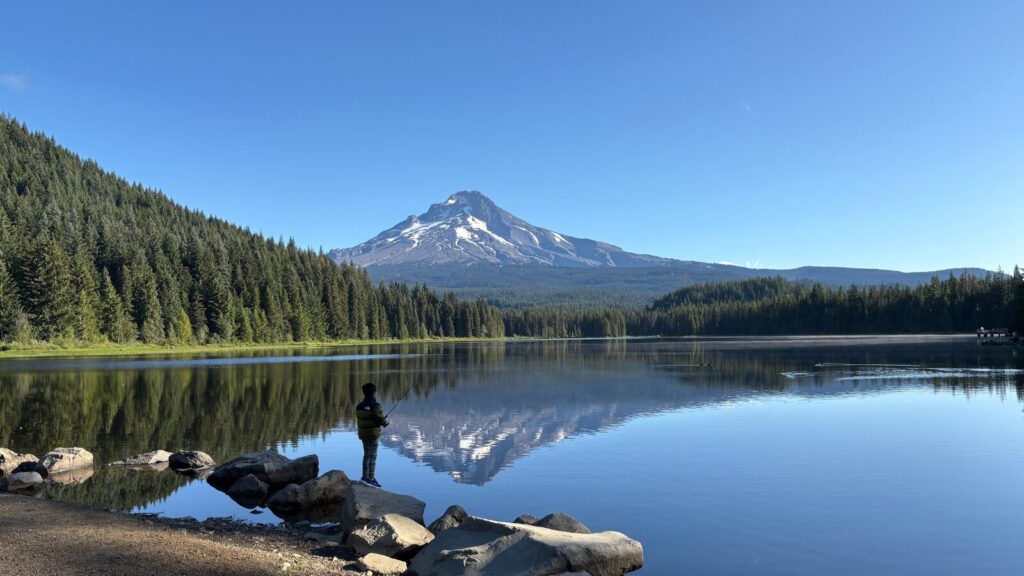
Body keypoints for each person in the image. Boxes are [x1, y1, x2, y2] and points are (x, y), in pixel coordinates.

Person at [356, 382, 389, 488]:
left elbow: (365, 419)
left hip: (363, 435)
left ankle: (364, 477)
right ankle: (371, 479)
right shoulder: (376, 406)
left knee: (366, 455)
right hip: (373, 434)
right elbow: (380, 419)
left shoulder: (359, 406)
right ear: (374, 393)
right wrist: (385, 423)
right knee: (373, 456)